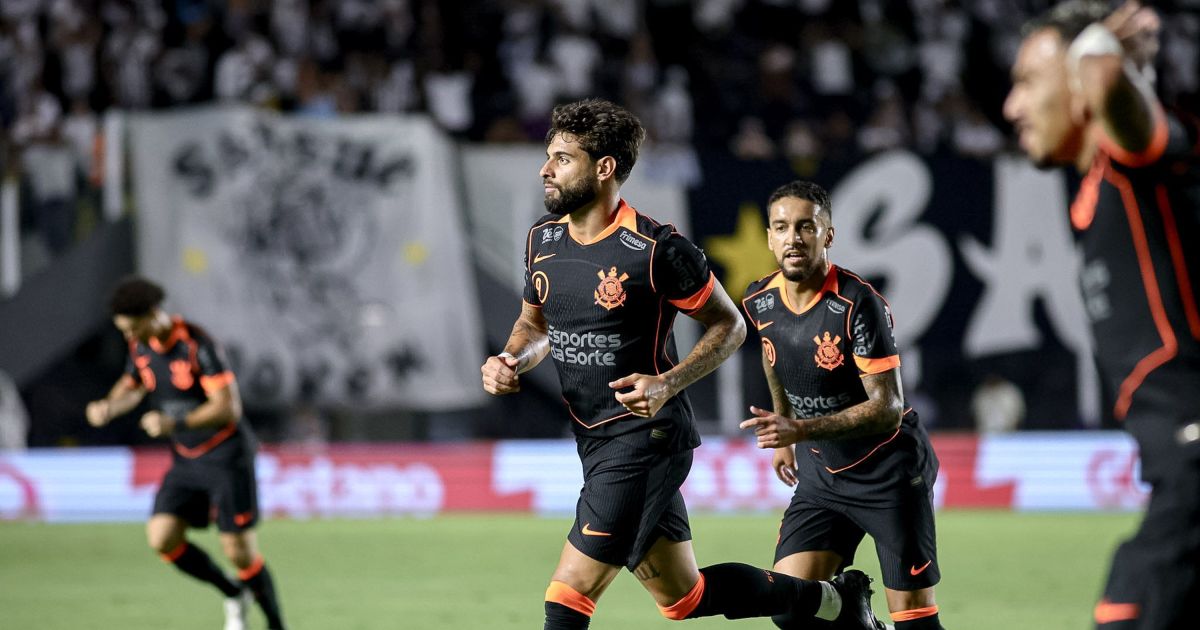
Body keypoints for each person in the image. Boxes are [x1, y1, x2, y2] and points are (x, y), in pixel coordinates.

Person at [480, 99, 884, 630]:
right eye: (549, 157)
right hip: (592, 438)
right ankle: (835, 602)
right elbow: (535, 326)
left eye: (562, 159)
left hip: (643, 440)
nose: (545, 169)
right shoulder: (543, 239)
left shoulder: (655, 249)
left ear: (604, 169)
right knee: (684, 599)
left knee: (568, 594)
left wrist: (667, 383)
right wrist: (512, 357)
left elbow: (730, 325)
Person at [1003, 2, 1200, 628]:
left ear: (1080, 86)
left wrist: (1096, 46)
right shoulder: (1096, 194)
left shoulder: (1134, 159)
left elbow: (1121, 97)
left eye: (1028, 82)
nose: (1012, 107)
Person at [738, 181, 946, 630]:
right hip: (821, 476)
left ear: (827, 235)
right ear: (769, 237)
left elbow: (888, 408)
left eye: (805, 227)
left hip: (887, 474)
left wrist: (801, 431)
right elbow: (773, 355)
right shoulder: (759, 299)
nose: (793, 238)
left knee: (916, 623)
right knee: (790, 607)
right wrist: (785, 431)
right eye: (781, 227)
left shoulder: (857, 304)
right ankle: (855, 613)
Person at [86, 277, 286, 630]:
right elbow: (133, 386)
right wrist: (108, 406)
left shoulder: (197, 345)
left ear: (153, 314)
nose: (129, 338)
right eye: (124, 331)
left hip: (226, 456)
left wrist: (174, 424)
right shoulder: (141, 347)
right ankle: (232, 593)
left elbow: (228, 408)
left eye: (133, 328)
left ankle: (275, 624)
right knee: (162, 537)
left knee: (239, 552)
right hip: (187, 459)